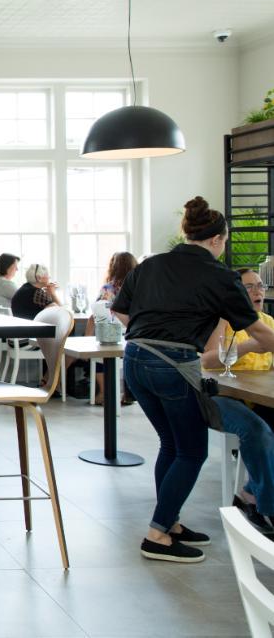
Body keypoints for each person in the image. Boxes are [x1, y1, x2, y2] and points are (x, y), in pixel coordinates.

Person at [112, 196, 274, 563]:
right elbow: (258, 332)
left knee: (170, 445)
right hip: (173, 366)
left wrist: (148, 336)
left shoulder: (151, 265)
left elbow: (119, 311)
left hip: (135, 360)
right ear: (217, 239)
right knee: (191, 451)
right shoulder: (220, 276)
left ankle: (171, 524)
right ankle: (157, 535)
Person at [200, 268, 274, 535]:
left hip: (258, 397)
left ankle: (249, 493)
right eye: (249, 287)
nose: (257, 292)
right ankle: (268, 508)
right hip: (221, 397)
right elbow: (206, 361)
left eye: (260, 285)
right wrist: (250, 346)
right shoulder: (223, 321)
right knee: (257, 431)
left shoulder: (268, 323)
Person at [93, 252, 139, 406]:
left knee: (100, 356)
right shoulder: (139, 285)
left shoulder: (108, 288)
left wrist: (87, 334)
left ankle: (103, 393)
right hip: (134, 330)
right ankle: (128, 393)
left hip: (113, 330)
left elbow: (99, 311)